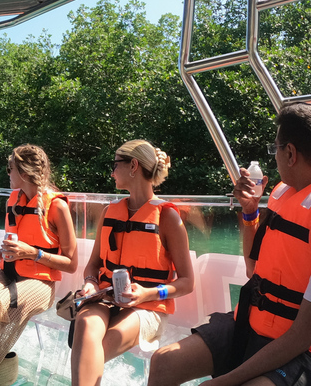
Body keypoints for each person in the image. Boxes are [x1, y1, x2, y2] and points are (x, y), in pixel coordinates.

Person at [149, 103, 311, 386]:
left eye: (275, 150)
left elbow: (302, 336)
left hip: (297, 346)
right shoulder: (282, 194)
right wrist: (249, 211)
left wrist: (226, 380)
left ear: (290, 153)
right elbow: (253, 268)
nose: (274, 158)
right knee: (164, 362)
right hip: (250, 322)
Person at [0, 144, 78, 386]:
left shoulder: (57, 206)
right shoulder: (14, 201)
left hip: (40, 284)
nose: (7, 174)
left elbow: (71, 264)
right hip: (8, 274)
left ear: (24, 172)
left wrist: (34, 254)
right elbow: (13, 250)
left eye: (10, 169)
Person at [71, 139, 194, 386]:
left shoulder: (168, 217)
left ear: (133, 166)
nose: (112, 171)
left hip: (148, 307)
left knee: (99, 347)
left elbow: (187, 283)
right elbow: (93, 265)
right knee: (84, 324)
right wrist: (90, 284)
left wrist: (147, 293)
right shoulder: (109, 212)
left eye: (116, 164)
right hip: (105, 298)